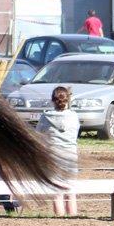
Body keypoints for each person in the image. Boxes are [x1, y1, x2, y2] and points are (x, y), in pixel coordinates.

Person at [35, 85, 80, 217]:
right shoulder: (74, 116)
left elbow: (38, 135)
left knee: (56, 191)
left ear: (52, 100)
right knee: (70, 190)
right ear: (67, 100)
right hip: (70, 155)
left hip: (53, 155)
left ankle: (59, 219)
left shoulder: (45, 117)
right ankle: (73, 218)